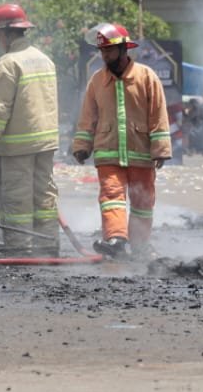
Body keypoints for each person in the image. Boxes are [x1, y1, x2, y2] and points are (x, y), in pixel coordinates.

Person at [72, 22, 171, 260]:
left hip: (141, 152)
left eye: (109, 50)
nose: (104, 55)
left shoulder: (146, 77)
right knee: (111, 196)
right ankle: (115, 240)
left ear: (124, 48)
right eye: (102, 51)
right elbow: (88, 117)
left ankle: (140, 246)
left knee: (142, 201)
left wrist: (161, 149)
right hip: (108, 152)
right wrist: (82, 146)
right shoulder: (97, 81)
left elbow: (158, 113)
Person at [0, 3, 61, 255]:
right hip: (46, 143)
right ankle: (47, 246)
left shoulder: (9, 63)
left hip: (17, 146)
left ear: (3, 33)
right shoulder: (44, 59)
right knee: (44, 197)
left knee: (18, 200)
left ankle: (20, 248)